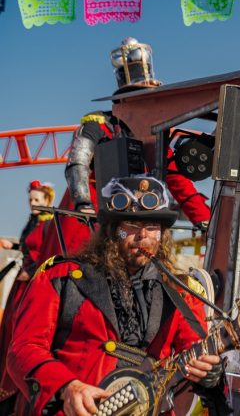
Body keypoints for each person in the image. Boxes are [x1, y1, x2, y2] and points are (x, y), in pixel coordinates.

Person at [8, 176, 221, 416]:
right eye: (131, 225)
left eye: (152, 227)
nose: (143, 236)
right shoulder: (61, 276)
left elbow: (195, 352)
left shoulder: (181, 291)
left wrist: (209, 373)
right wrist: (68, 387)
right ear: (112, 230)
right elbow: (24, 349)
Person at [39, 37, 212, 262]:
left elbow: (177, 180)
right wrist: (84, 205)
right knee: (80, 274)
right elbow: (77, 164)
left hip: (140, 224)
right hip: (94, 223)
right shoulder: (98, 124)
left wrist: (205, 221)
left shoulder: (154, 135)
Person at [0, 180, 57, 409]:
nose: (32, 204)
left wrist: (31, 272)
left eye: (36, 200)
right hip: (21, 281)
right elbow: (27, 247)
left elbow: (46, 254)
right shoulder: (34, 221)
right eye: (30, 200)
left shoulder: (49, 224)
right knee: (9, 330)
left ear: (47, 201)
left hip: (32, 283)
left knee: (20, 328)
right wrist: (11, 246)